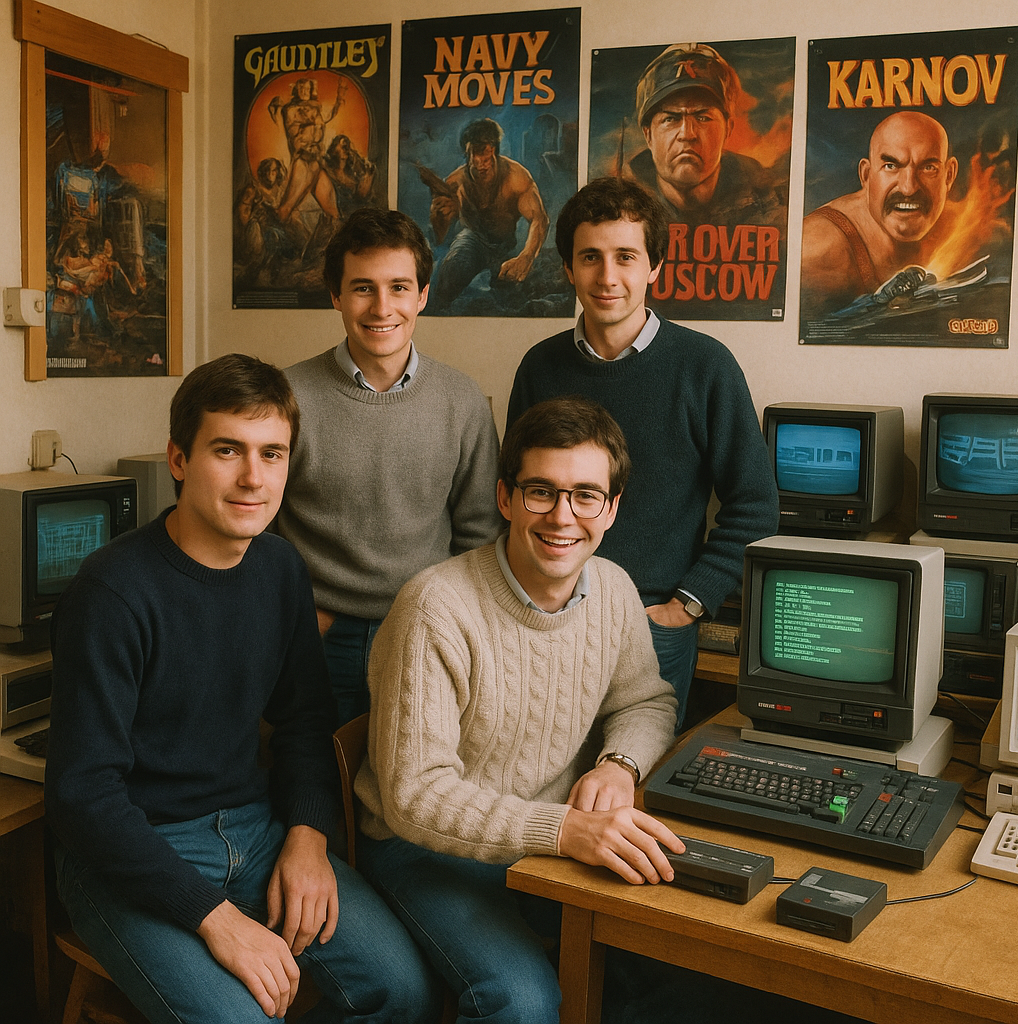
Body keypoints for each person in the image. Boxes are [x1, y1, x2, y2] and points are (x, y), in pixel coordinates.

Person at [46, 354, 439, 1024]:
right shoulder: (113, 590)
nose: (254, 477)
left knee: (404, 993)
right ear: (178, 458)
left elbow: (305, 722)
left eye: (273, 453)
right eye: (227, 450)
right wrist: (215, 919)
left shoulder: (281, 568)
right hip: (131, 855)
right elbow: (84, 794)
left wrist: (309, 838)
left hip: (256, 836)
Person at [354, 396, 683, 1023]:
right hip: (425, 849)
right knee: (524, 1002)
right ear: (505, 499)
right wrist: (563, 829)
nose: (563, 516)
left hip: (546, 846)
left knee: (666, 961)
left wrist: (618, 765)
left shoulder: (614, 587)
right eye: (541, 492)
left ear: (611, 509)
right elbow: (414, 795)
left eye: (586, 495)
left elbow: (646, 701)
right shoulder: (435, 608)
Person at [507, 177, 778, 729]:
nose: (608, 277)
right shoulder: (539, 367)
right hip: (544, 616)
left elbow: (755, 504)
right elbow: (515, 496)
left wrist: (688, 604)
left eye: (625, 257)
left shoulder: (705, 367)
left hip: (653, 622)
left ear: (654, 267)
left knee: (633, 784)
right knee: (544, 780)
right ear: (567, 268)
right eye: (590, 257)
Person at [276, 207, 502, 724]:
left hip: (424, 631)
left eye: (399, 287)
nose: (382, 307)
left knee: (408, 794)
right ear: (335, 296)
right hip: (317, 634)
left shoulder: (462, 400)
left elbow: (480, 535)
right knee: (314, 783)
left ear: (422, 295)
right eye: (362, 288)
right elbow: (255, 521)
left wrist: (450, 622)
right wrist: (294, 613)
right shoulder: (286, 396)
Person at [801, 111, 959, 319]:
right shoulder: (818, 248)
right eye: (891, 166)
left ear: (949, 175)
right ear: (866, 175)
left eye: (928, 168)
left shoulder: (965, 225)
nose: (909, 187)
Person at [628, 43, 785, 229]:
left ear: (728, 129)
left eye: (703, 117)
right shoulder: (619, 204)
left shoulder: (770, 203)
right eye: (671, 118)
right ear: (648, 135)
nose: (687, 134)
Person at [425, 117, 550, 308]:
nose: (481, 163)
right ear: (467, 154)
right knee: (448, 277)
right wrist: (438, 216)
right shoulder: (455, 182)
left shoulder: (515, 177)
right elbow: (439, 236)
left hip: (506, 246)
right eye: (475, 155)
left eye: (486, 155)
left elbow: (540, 219)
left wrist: (526, 256)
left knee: (518, 296)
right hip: (472, 240)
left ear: (495, 152)